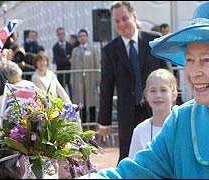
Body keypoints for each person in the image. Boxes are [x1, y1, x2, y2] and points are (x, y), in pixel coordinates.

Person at [78, 1, 209, 178]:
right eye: (189, 60)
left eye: (205, 60)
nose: (193, 72)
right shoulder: (181, 122)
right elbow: (130, 174)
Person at [97, 1, 169, 163]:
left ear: (134, 16)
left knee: (163, 155)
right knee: (127, 160)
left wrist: (174, 106)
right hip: (127, 114)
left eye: (124, 18)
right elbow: (106, 88)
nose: (121, 24)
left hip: (157, 109)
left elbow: (169, 76)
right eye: (117, 21)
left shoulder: (154, 40)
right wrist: (104, 123)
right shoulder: (110, 51)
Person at [128, 69, 178, 159]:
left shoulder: (183, 126)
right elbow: (133, 167)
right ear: (146, 95)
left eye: (163, 90)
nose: (158, 95)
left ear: (174, 95)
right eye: (153, 91)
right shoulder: (140, 131)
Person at [70, 29, 100, 124]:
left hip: (90, 80)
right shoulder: (75, 51)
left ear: (87, 37)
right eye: (80, 36)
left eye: (84, 36)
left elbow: (97, 65)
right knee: (80, 103)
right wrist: (72, 80)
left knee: (91, 102)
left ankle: (91, 124)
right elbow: (72, 66)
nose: (82, 38)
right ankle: (81, 124)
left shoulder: (93, 49)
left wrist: (98, 80)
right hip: (79, 80)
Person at [52, 27, 74, 96]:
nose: (61, 35)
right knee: (61, 92)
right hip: (60, 72)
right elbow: (58, 61)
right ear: (57, 35)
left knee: (71, 91)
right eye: (59, 34)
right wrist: (68, 60)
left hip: (69, 72)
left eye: (62, 33)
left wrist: (66, 61)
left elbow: (72, 59)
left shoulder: (70, 46)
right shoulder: (55, 47)